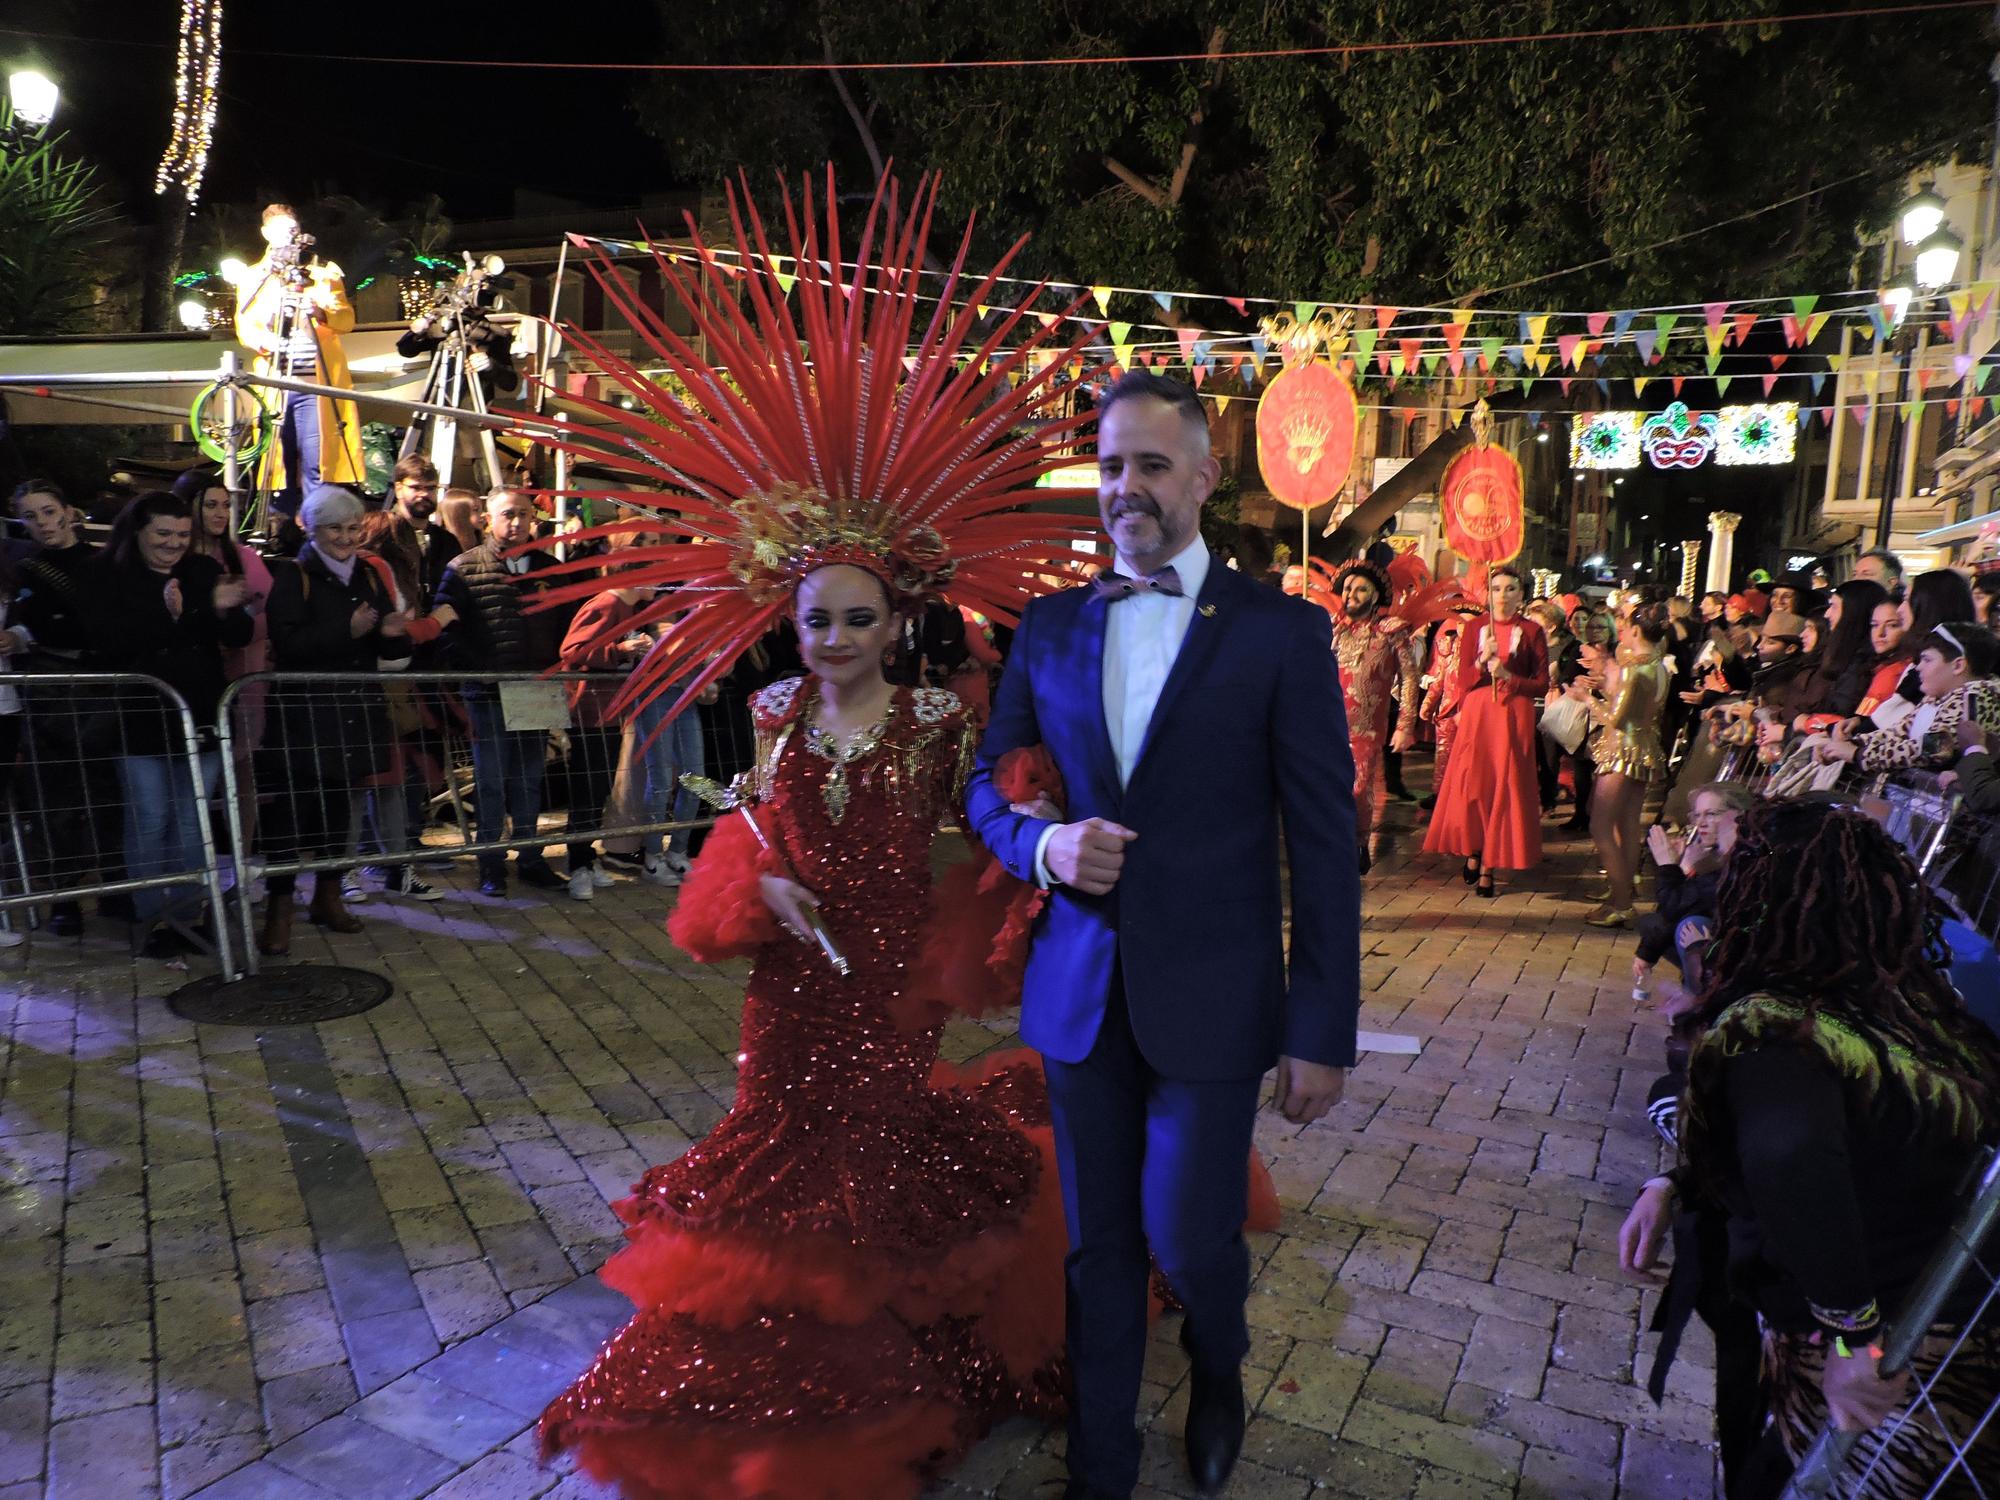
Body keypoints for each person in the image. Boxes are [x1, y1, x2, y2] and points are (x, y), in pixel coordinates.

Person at [536, 172, 1130, 1500]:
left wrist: (1036, 841)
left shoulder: (938, 716)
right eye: (817, 617)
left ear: (895, 620)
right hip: (794, 967)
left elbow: (983, 821)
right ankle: (767, 1363)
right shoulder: (772, 703)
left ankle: (873, 1373)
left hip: (894, 970)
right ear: (791, 621)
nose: (834, 636)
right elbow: (751, 815)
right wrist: (766, 882)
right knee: (777, 1133)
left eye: (858, 617)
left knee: (873, 1150)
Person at [968, 371, 1358, 1499]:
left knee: (1189, 1240)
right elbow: (984, 785)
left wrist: (1318, 1026)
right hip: (1081, 988)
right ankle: (1102, 1456)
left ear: (1201, 475)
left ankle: (1218, 1366)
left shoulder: (1282, 635)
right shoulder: (1046, 626)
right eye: (1108, 466)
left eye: (1148, 464)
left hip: (1217, 993)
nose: (1124, 488)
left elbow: (1322, 844)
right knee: (1095, 1247)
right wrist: (1040, 849)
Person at [1618, 800, 2000, 1498]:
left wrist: (1851, 1335)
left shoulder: (1779, 1027)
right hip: (1931, 1319)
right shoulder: (1899, 1002)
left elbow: (1791, 1153)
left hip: (1906, 1354)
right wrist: (1676, 1184)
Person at [87, 491, 252, 957]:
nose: (173, 543)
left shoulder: (200, 570)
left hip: (201, 713)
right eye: (163, 533)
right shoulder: (109, 576)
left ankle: (185, 918)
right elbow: (112, 642)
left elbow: (238, 634)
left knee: (192, 821)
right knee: (150, 821)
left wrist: (222, 608)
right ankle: (151, 917)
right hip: (139, 719)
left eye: (182, 534)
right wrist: (189, 613)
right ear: (137, 531)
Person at [257, 486, 413, 954]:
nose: (346, 538)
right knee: (290, 816)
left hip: (354, 711)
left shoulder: (367, 574)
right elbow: (287, 645)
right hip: (304, 716)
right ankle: (280, 909)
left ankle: (328, 896)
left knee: (338, 813)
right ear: (314, 529)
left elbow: (390, 649)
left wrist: (389, 636)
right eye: (335, 529)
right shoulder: (294, 575)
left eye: (352, 528)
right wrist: (347, 631)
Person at [434, 489, 572, 897]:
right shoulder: (463, 568)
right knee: (491, 781)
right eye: (508, 514)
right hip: (488, 691)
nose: (516, 522)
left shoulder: (551, 568)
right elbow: (447, 629)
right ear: (486, 519)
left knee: (529, 780)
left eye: (523, 515)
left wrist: (556, 670)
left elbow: (566, 623)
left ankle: (530, 857)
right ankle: (491, 862)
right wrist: (479, 671)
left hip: (534, 688)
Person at [5, 478, 113, 935]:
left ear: (68, 511)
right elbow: (23, 627)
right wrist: (19, 637)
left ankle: (119, 889)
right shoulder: (26, 569)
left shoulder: (104, 563)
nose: (42, 523)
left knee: (109, 792)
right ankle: (66, 897)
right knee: (57, 799)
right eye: (31, 516)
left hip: (101, 690)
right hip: (50, 697)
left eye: (48, 512)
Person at [232, 204, 366, 520]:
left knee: (316, 459)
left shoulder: (322, 275)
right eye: (280, 228)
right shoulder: (254, 277)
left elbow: (346, 319)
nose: (288, 235)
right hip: (276, 382)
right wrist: (270, 340)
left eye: (292, 228)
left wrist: (321, 312)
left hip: (315, 384)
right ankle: (278, 526)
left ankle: (317, 523)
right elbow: (245, 326)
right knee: (277, 457)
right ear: (265, 233)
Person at [346, 511, 454, 902]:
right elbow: (400, 628)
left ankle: (381, 867)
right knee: (371, 784)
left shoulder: (367, 568)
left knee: (385, 782)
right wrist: (437, 622)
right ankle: (363, 868)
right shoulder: (377, 568)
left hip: (383, 689)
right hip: (377, 690)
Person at [1423, 564, 1549, 895]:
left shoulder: (1533, 631)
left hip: (1513, 715)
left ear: (1521, 594)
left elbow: (1541, 684)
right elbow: (1462, 680)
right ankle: (1475, 849)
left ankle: (1489, 865)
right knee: (1476, 785)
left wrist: (1509, 676)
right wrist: (1481, 662)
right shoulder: (1477, 627)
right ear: (1487, 594)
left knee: (1504, 787)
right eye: (1496, 589)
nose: (1503, 595)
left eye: (1510, 588)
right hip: (1479, 714)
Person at [1329, 558, 1420, 870]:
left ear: (1376, 596)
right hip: (1326, 726)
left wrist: (1405, 724)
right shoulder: (1331, 630)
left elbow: (1410, 677)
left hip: (1366, 728)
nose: (1351, 594)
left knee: (1358, 786)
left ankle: (1358, 842)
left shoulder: (1391, 632)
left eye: (1360, 588)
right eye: (1348, 588)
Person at [1586, 603, 1672, 927]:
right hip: (1645, 747)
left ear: (1635, 631)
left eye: (1624, 626)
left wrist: (1588, 700)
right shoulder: (1659, 666)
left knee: (1601, 825)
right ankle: (1621, 891)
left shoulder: (1635, 669)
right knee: (1628, 825)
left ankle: (1621, 902)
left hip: (1622, 750)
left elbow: (1617, 719)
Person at [1816, 623, 2000, 775]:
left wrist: (1859, 755)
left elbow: (1936, 747)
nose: (1917, 668)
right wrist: (1848, 745)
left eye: (1927, 660)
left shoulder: (1977, 696)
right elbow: (1898, 732)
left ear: (1958, 665)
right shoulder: (1936, 698)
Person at [1631, 781, 1750, 1005]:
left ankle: (1701, 998)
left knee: (1690, 926)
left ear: (1737, 815)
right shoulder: (1725, 853)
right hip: (1735, 946)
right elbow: (1674, 910)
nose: (1701, 823)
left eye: (1712, 814)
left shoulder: (1742, 857)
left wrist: (1668, 866)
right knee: (1654, 923)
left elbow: (1676, 907)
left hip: (1750, 956)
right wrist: (1685, 868)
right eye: (1697, 815)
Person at [384, 454, 461, 600]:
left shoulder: (447, 541)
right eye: (416, 487)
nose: (424, 494)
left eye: (431, 488)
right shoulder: (382, 534)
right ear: (399, 489)